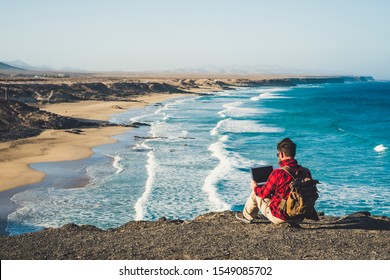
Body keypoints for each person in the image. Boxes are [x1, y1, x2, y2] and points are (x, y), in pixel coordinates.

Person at [238, 137, 317, 224]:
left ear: (282, 154)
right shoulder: (306, 171)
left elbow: (263, 194)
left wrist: (255, 187)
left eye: (278, 154)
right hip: (299, 216)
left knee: (255, 193)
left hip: (281, 217)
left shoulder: (278, 173)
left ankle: (246, 217)